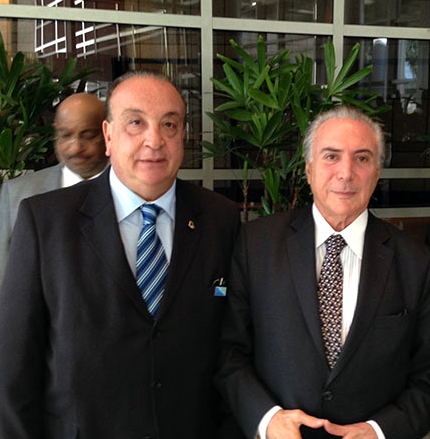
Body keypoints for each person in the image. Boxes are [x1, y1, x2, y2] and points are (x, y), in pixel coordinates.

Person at [0, 71, 241, 439]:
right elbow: (14, 364)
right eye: (136, 123)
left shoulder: (220, 219)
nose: (154, 140)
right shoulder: (45, 221)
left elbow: (231, 346)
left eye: (169, 124)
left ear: (183, 136)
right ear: (109, 135)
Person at [216, 105, 430, 439]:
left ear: (377, 173)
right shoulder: (255, 245)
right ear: (309, 168)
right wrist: (267, 419)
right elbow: (229, 351)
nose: (346, 173)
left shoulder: (416, 262)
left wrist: (380, 431)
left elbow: (427, 375)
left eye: (362, 158)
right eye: (331, 156)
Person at [0, 92, 108, 283]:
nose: (75, 148)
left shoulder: (133, 190)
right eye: (66, 135)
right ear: (55, 132)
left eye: (88, 136)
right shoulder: (17, 194)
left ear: (107, 132)